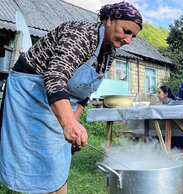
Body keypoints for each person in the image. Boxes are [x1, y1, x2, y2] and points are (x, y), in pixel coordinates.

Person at [0, 2, 142, 193]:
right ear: (109, 21)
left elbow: (86, 91)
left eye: (133, 35)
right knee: (40, 154)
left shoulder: (109, 53)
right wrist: (68, 124)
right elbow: (55, 77)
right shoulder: (80, 34)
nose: (129, 40)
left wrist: (73, 121)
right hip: (31, 90)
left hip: (59, 97)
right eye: (126, 31)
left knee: (60, 154)